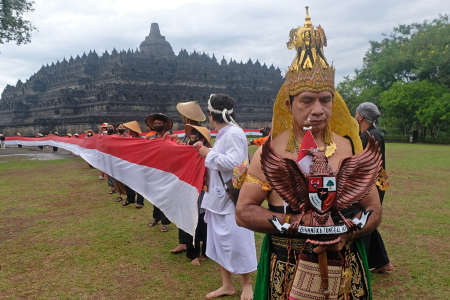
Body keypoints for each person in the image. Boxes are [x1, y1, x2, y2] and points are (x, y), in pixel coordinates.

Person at [235, 9, 379, 300]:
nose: (317, 109)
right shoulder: (271, 151)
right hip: (288, 269)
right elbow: (244, 211)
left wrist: (347, 234)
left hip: (346, 269)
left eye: (325, 100)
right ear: (289, 105)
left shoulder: (350, 146)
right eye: (307, 100)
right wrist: (297, 224)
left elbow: (373, 209)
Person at [194, 93, 257, 300]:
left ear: (212, 115)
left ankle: (247, 283)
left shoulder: (233, 133)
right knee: (219, 244)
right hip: (216, 198)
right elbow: (223, 158)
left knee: (238, 242)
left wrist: (207, 154)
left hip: (230, 199)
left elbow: (236, 162)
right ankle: (227, 285)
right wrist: (208, 151)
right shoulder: (223, 133)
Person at [356, 102, 393, 274]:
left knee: (364, 220)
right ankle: (382, 262)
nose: (355, 115)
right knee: (368, 221)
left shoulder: (372, 136)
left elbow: (370, 166)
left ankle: (359, 264)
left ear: (361, 116)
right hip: (368, 184)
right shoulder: (366, 134)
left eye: (356, 113)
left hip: (372, 185)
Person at [165, 101, 207, 254]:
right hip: (184, 179)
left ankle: (194, 246)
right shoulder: (188, 134)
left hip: (194, 180)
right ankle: (183, 242)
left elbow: (195, 153)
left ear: (187, 118)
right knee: (182, 209)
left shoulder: (198, 134)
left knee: (193, 211)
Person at [184, 124, 210, 266]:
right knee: (192, 222)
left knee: (205, 222)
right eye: (193, 138)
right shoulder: (187, 150)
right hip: (191, 190)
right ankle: (193, 254)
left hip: (207, 192)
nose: (194, 141)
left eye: (198, 138)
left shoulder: (211, 152)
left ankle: (206, 252)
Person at [146, 114, 174, 232]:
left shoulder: (169, 137)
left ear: (165, 125)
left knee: (164, 196)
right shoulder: (151, 137)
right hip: (154, 170)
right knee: (155, 196)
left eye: (159, 124)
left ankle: (165, 222)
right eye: (155, 124)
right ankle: (156, 217)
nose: (157, 125)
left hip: (166, 171)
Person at [121, 121, 145, 209]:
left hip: (139, 164)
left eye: (128, 129)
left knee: (139, 183)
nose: (127, 130)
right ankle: (130, 198)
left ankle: (140, 202)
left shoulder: (142, 140)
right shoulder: (129, 139)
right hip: (130, 164)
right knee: (128, 181)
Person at [113, 123, 129, 203]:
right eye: (120, 127)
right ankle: (119, 196)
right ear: (116, 128)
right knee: (117, 179)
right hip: (116, 160)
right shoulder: (113, 137)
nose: (121, 128)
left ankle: (128, 195)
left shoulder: (128, 137)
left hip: (125, 160)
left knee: (126, 178)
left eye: (123, 127)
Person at [106, 124, 117, 194]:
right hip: (108, 156)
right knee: (109, 172)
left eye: (111, 127)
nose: (109, 129)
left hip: (116, 156)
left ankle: (118, 187)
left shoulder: (117, 136)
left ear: (114, 128)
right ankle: (112, 188)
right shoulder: (106, 137)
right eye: (108, 128)